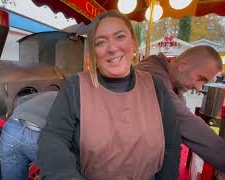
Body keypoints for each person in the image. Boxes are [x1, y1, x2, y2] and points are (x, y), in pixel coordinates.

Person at [38, 10, 181, 180]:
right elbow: (54, 138)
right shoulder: (75, 86)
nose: (112, 48)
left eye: (120, 37)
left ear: (134, 43)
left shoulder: (155, 87)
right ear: (93, 53)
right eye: (100, 42)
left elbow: (171, 145)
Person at [136, 46, 225, 179]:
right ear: (183, 65)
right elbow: (185, 121)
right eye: (200, 78)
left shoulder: (172, 83)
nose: (199, 87)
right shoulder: (150, 75)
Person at [0, 91, 58, 180]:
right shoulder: (80, 102)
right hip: (38, 135)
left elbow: (21, 99)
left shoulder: (52, 93)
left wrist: (23, 115)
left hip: (12, 128)